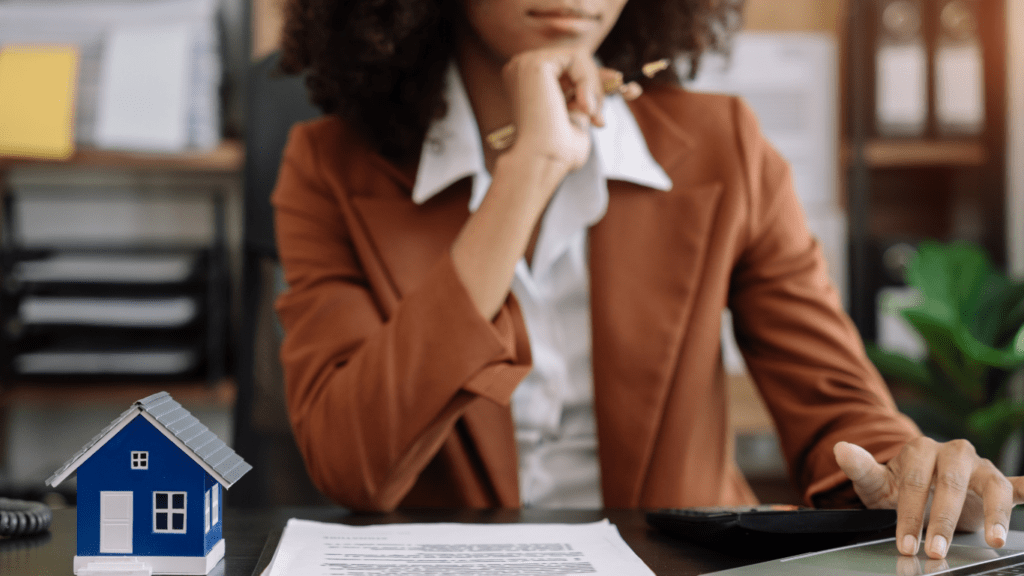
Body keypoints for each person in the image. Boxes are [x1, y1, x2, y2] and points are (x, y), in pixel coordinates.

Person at [271, 0, 1023, 560]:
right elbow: (353, 463)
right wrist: (526, 176)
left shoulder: (725, 146)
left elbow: (838, 411)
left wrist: (908, 472)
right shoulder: (328, 166)